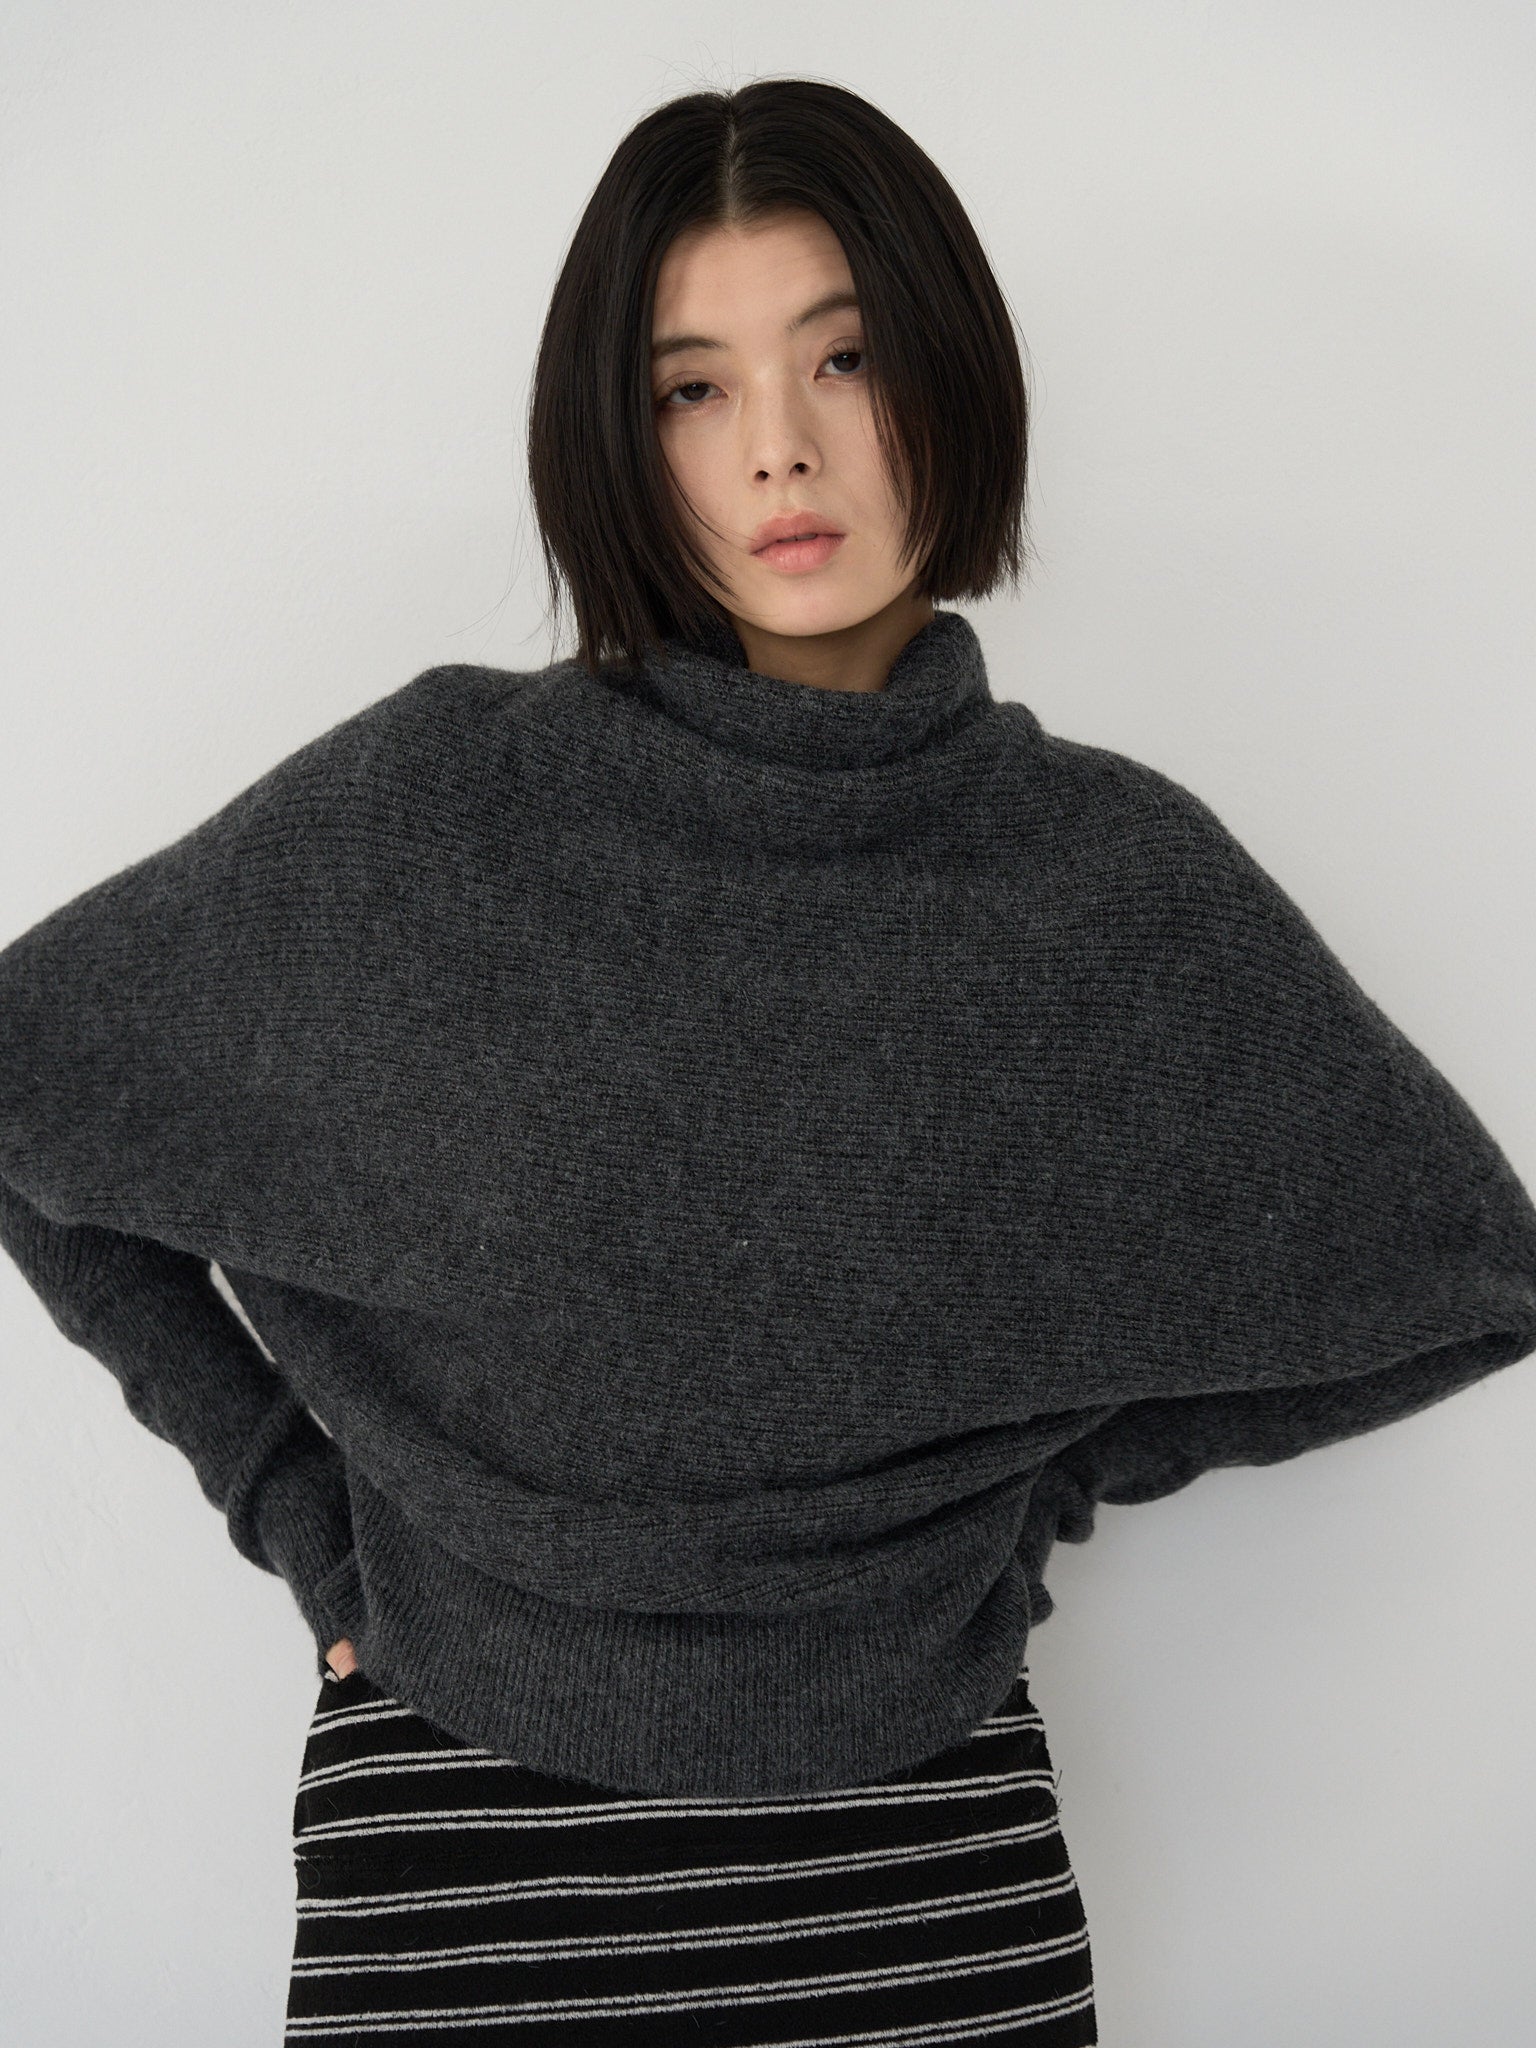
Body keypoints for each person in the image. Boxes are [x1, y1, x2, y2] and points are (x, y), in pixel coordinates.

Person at [4, 76, 1534, 2047]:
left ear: (950, 379)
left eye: (845, 357)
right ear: (615, 435)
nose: (779, 447)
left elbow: (1459, 1275)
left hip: (927, 1913)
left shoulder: (1108, 878)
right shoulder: (440, 809)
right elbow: (33, 1084)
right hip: (469, 1897)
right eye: (692, 389)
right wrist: (298, 1511)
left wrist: (1024, 1493)